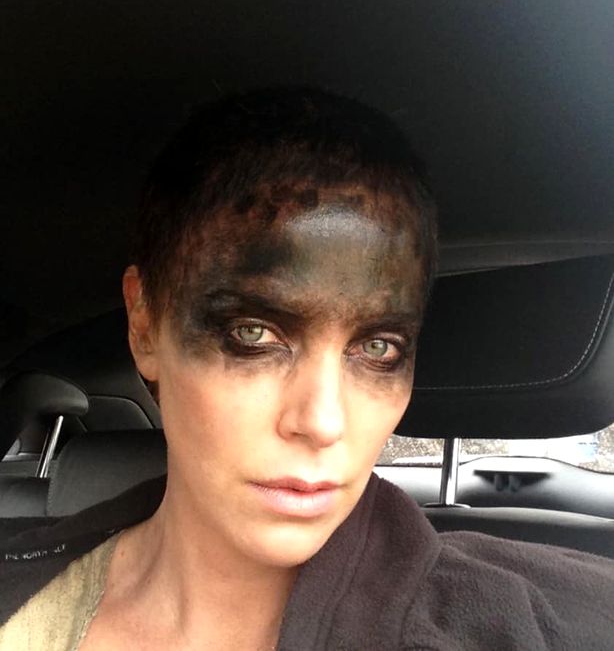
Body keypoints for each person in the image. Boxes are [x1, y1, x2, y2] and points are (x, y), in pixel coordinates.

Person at [1, 86, 613, 650]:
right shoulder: (21, 596)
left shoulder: (518, 624)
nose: (322, 422)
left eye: (379, 348)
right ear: (144, 325)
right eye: (254, 333)